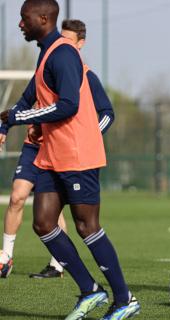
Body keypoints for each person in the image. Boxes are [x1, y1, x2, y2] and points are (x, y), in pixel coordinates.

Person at [0, 1, 139, 319]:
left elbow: (69, 106)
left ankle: (124, 299)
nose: (21, 24)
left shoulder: (63, 53)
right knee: (43, 223)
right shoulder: (46, 52)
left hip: (77, 153)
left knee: (86, 226)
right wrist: (7, 121)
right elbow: (30, 95)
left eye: (25, 19)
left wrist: (19, 117)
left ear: (43, 18)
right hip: (52, 153)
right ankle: (90, 291)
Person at [0, 18, 115, 280]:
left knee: (78, 222)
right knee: (20, 198)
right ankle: (5, 257)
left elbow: (104, 112)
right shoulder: (45, 63)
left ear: (80, 44)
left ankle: (66, 269)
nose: (61, 44)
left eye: (68, 40)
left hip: (69, 152)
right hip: (37, 147)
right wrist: (6, 126)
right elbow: (24, 102)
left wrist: (87, 136)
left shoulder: (85, 75)